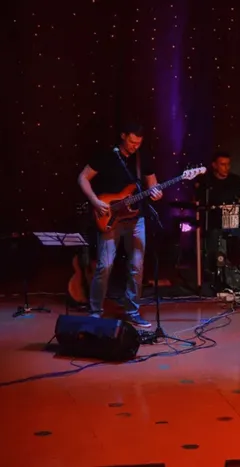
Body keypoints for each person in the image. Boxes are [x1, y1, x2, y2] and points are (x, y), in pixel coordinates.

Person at [77, 123, 162, 328]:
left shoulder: (142, 158)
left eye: (138, 143)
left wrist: (157, 192)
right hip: (110, 217)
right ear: (123, 136)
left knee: (136, 267)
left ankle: (132, 311)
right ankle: (95, 311)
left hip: (136, 218)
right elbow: (83, 178)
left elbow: (153, 184)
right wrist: (95, 201)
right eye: (132, 142)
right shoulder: (106, 156)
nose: (135, 146)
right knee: (105, 266)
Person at [194, 151, 240, 293]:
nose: (226, 168)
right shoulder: (206, 181)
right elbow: (197, 201)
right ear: (214, 165)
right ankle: (213, 274)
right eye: (222, 164)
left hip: (232, 220)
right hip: (213, 221)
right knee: (212, 238)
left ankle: (237, 272)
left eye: (228, 164)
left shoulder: (235, 180)